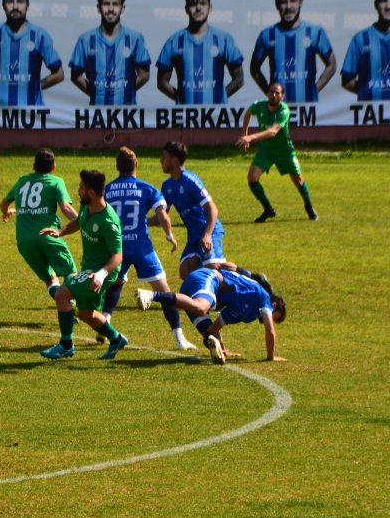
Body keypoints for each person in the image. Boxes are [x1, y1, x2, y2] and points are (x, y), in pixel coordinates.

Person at [101, 147, 195, 351]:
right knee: (165, 293)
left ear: (117, 167)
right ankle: (180, 339)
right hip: (142, 248)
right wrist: (169, 235)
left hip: (118, 249)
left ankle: (104, 324)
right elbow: (162, 215)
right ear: (137, 165)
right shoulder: (147, 188)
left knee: (116, 284)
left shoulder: (106, 190)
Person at [38, 169, 128, 360]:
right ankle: (116, 338)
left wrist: (101, 275)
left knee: (62, 294)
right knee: (86, 313)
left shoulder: (108, 221)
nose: (78, 190)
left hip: (103, 271)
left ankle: (66, 345)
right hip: (90, 268)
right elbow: (79, 222)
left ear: (91, 193)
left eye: (81, 187)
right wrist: (60, 232)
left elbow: (118, 256)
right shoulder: (88, 208)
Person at [135, 267, 287, 364]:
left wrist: (223, 348)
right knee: (201, 308)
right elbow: (270, 331)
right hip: (208, 278)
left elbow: (216, 327)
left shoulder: (247, 312)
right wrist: (271, 357)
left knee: (208, 333)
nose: (272, 320)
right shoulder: (265, 298)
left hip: (194, 284)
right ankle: (151, 294)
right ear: (274, 306)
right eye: (276, 317)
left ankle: (216, 352)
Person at [0, 148, 77, 298]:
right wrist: (83, 221)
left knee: (49, 279)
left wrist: (6, 212)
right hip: (49, 237)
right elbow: (66, 208)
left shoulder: (21, 181)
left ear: (33, 166)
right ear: (53, 167)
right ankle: (75, 306)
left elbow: (3, 204)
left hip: (25, 241)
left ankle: (67, 305)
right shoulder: (56, 182)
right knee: (70, 274)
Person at [236, 82, 317, 223]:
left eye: (277, 93)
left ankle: (309, 207)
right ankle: (268, 209)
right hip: (266, 150)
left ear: (282, 96)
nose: (273, 95)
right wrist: (244, 132)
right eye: (271, 92)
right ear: (267, 93)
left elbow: (273, 132)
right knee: (252, 177)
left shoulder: (284, 111)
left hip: (284, 151)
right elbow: (248, 113)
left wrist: (250, 137)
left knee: (298, 180)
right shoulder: (259, 106)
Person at [250, 0, 336, 103]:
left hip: (307, 112)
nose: (289, 7)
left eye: (293, 1)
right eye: (284, 2)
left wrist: (313, 90)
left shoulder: (315, 32)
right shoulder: (267, 35)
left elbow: (332, 64)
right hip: (278, 111)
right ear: (277, 5)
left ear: (300, 3)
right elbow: (254, 69)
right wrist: (271, 94)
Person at [157, 0, 245, 104]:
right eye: (193, 4)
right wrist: (180, 98)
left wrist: (220, 97)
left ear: (210, 8)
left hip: (215, 116)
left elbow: (239, 79)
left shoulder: (224, 39)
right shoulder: (174, 41)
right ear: (186, 9)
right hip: (185, 116)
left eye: (203, 3)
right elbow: (162, 82)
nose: (198, 8)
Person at [69, 0, 152, 105]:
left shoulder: (135, 38)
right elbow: (75, 76)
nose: (111, 9)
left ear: (122, 8)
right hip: (97, 115)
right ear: (98, 8)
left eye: (116, 4)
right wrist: (96, 92)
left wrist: (125, 92)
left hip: (127, 114)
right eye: (106, 4)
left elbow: (144, 75)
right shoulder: (85, 40)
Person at [159, 140, 227, 280]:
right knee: (186, 271)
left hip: (209, 231)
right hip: (194, 237)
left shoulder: (190, 180)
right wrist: (141, 221)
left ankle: (251, 278)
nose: (161, 160)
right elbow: (162, 216)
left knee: (214, 270)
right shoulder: (167, 186)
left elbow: (212, 209)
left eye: (164, 156)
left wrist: (207, 235)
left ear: (175, 160)